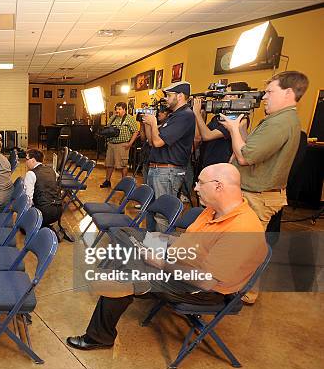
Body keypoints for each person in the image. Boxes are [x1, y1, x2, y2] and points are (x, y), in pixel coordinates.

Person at [66, 163, 267, 350]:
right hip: (178, 260)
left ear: (218, 187)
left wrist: (160, 263)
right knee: (123, 233)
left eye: (200, 183)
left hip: (199, 288)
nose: (195, 188)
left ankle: (100, 336)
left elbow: (206, 282)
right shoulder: (213, 210)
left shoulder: (243, 229)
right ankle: (127, 279)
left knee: (122, 273)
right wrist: (159, 238)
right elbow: (190, 241)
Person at [219, 71, 308, 228]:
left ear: (288, 93)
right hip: (255, 195)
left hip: (256, 198)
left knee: (242, 248)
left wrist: (233, 130)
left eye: (270, 92)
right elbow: (252, 147)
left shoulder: (279, 123)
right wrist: (239, 128)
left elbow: (244, 157)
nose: (264, 97)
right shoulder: (278, 119)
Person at [141, 82, 196, 232]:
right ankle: (151, 246)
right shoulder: (174, 116)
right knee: (150, 210)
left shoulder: (185, 116)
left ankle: (163, 251)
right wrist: (148, 123)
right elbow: (152, 141)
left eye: (169, 95)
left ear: (180, 96)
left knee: (163, 214)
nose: (166, 98)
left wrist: (153, 123)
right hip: (158, 170)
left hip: (168, 172)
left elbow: (158, 142)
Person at [193, 82, 251, 169]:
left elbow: (207, 136)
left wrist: (197, 113)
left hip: (220, 164)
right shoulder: (220, 116)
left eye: (226, 94)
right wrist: (202, 113)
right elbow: (201, 135)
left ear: (236, 97)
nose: (222, 97)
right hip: (207, 161)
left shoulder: (237, 118)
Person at [100, 102, 139, 188]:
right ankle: (107, 181)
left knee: (123, 164)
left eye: (119, 109)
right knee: (109, 164)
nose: (117, 111)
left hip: (122, 145)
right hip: (111, 144)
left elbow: (136, 131)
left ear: (124, 109)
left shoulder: (130, 119)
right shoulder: (113, 118)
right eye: (116, 109)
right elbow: (107, 128)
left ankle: (124, 183)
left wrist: (130, 143)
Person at [24, 148, 62, 227]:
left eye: (27, 159)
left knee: (23, 226)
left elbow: (28, 199)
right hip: (58, 211)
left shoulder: (31, 174)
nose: (26, 162)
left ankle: (40, 224)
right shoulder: (51, 170)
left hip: (44, 213)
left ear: (33, 160)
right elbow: (56, 178)